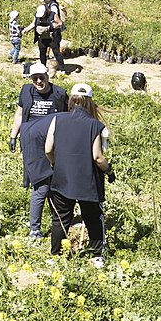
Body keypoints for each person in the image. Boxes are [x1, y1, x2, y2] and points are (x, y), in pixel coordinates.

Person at [45, 83, 111, 267]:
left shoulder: (57, 120)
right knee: (92, 217)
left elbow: (48, 148)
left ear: (71, 100)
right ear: (90, 102)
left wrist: (55, 164)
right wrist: (109, 170)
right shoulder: (95, 125)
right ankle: (97, 255)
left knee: (60, 218)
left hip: (62, 178)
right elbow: (97, 157)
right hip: (87, 181)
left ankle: (56, 255)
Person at [10, 62, 69, 239]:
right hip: (32, 145)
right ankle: (35, 228)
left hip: (53, 145)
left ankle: (56, 220)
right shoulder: (26, 92)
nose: (38, 82)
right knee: (41, 185)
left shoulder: (59, 94)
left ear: (47, 77)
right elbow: (19, 115)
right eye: (34, 78)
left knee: (55, 184)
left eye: (41, 78)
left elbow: (66, 119)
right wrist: (14, 135)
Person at [38, 0, 65, 70]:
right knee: (42, 52)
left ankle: (61, 68)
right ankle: (43, 67)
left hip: (53, 34)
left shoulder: (53, 7)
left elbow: (57, 21)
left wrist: (54, 25)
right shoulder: (44, 7)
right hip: (44, 35)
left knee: (56, 51)